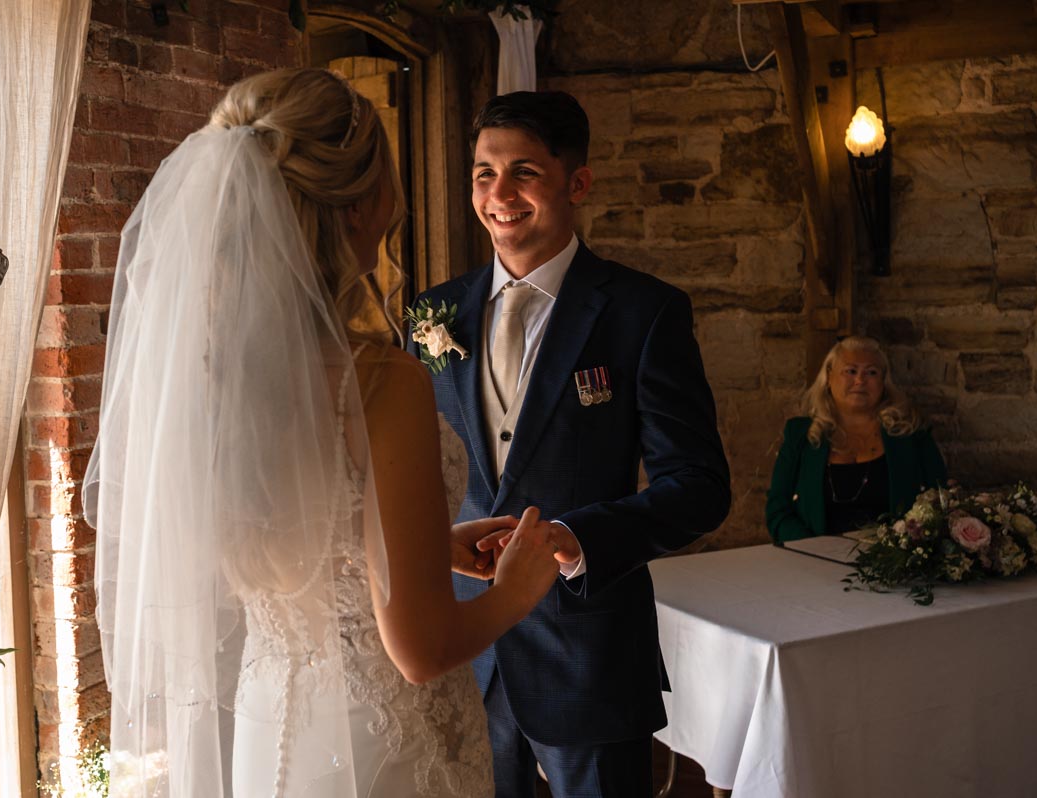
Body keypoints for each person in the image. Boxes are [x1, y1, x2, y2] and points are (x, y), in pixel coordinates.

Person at [85, 68, 562, 798]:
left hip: (268, 715)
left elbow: (301, 548)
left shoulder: (211, 373)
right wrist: (518, 589)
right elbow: (421, 650)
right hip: (385, 746)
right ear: (359, 202)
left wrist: (428, 548)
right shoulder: (377, 379)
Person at [408, 91, 731, 798]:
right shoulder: (432, 314)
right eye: (483, 174)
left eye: (523, 171)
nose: (499, 194)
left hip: (589, 649)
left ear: (576, 183)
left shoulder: (644, 312)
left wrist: (573, 538)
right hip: (467, 650)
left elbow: (700, 486)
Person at [766, 335, 947, 542]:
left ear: (883, 382)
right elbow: (778, 511)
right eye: (851, 371)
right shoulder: (800, 435)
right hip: (814, 562)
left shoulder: (912, 434)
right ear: (828, 377)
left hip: (893, 565)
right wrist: (813, 549)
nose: (860, 380)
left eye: (871, 372)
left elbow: (940, 502)